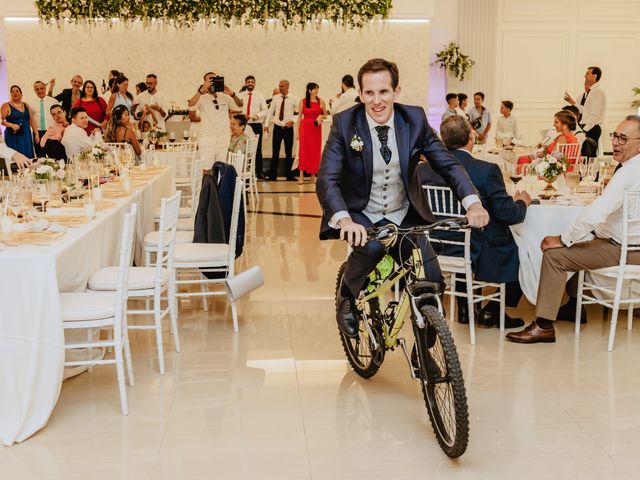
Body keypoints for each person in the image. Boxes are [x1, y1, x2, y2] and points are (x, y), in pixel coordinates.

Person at [316, 58, 489, 338]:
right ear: (360, 94)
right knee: (371, 249)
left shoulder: (415, 119)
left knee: (432, 278)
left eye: (383, 92)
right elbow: (328, 178)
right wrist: (344, 220)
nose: (377, 101)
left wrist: (473, 203)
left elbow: (448, 164)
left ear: (396, 91)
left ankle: (428, 352)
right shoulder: (345, 124)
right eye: (369, 93)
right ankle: (346, 295)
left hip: (404, 212)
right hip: (362, 212)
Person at [506, 116, 640, 344]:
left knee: (555, 254)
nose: (615, 143)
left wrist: (562, 238)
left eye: (623, 138)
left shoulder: (627, 173)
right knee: (582, 238)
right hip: (625, 244)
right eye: (615, 136)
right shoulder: (630, 168)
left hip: (625, 249)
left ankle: (544, 325)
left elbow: (595, 214)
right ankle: (570, 306)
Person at [420, 115, 530, 328]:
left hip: (436, 244)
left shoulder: (423, 170)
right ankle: (493, 310)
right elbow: (508, 214)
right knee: (524, 249)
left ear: (443, 139)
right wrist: (523, 203)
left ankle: (465, 308)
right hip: (476, 245)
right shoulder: (485, 170)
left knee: (467, 234)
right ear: (471, 137)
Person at [188, 72, 243, 163]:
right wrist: (201, 91)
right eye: (210, 80)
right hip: (207, 139)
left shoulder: (225, 97)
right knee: (206, 169)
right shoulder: (201, 97)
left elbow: (239, 106)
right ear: (205, 82)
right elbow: (191, 106)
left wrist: (232, 94)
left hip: (223, 139)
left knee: (221, 168)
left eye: (214, 79)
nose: (212, 82)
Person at [563, 66, 606, 153]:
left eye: (587, 74)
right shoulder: (592, 92)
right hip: (588, 128)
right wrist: (572, 102)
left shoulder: (597, 92)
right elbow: (584, 111)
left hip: (591, 128)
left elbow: (594, 115)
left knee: (588, 157)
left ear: (594, 76)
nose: (584, 76)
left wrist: (584, 130)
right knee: (583, 155)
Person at [265, 80, 298, 181]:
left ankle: (289, 175)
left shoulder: (294, 99)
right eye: (279, 86)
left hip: (288, 128)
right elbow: (270, 112)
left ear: (288, 87)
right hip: (277, 127)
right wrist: (266, 125)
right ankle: (272, 175)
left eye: (282, 86)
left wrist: (292, 121)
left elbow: (298, 113)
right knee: (275, 152)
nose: (280, 88)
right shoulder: (275, 98)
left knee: (289, 152)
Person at [296, 82, 327, 184]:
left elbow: (325, 115)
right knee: (303, 151)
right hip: (305, 128)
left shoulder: (321, 101)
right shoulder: (303, 101)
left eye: (317, 88)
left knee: (314, 151)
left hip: (316, 129)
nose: (317, 91)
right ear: (309, 90)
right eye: (315, 89)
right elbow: (299, 117)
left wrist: (320, 116)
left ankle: (313, 176)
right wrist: (297, 131)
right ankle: (301, 176)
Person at [237, 75, 268, 178]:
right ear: (245, 83)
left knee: (257, 149)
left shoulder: (259, 96)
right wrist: (242, 116)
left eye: (252, 82)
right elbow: (236, 109)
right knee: (242, 148)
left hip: (256, 125)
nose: (250, 84)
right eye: (248, 82)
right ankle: (243, 171)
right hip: (243, 125)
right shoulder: (240, 95)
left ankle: (259, 172)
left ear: (254, 84)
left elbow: (265, 110)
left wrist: (257, 116)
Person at [1, 85, 37, 158]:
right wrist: (11, 125)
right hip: (13, 136)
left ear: (21, 94)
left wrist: (36, 133)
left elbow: (31, 119)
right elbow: (1, 121)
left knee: (28, 156)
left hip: (26, 134)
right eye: (12, 91)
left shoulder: (26, 104)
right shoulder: (6, 105)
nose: (15, 93)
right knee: (17, 156)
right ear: (10, 94)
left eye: (17, 91)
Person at [31, 80, 58, 157]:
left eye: (41, 88)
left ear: (45, 88)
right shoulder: (31, 104)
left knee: (54, 155)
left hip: (51, 132)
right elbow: (30, 120)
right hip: (38, 133)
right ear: (34, 90)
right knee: (41, 156)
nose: (40, 91)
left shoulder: (53, 101)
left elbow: (59, 117)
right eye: (37, 89)